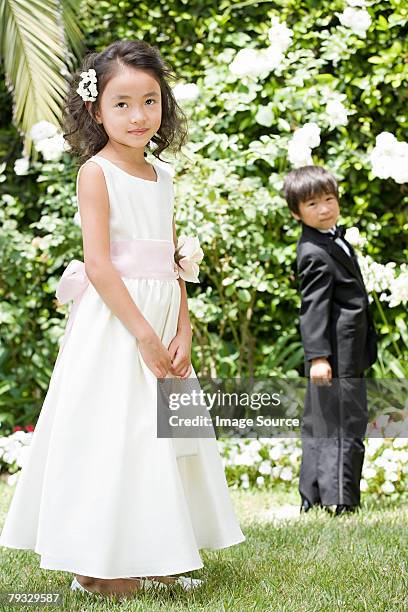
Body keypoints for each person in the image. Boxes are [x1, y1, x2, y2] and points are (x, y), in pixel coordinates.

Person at [0, 40, 245, 599]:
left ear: (164, 106)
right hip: (117, 326)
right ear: (95, 109)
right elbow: (99, 264)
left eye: (150, 101)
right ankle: (99, 562)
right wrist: (142, 333)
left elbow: (174, 259)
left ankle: (161, 548)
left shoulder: (162, 175)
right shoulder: (97, 173)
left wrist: (181, 329)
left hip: (162, 319)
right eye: (122, 103)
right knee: (117, 434)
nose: (138, 116)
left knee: (164, 436)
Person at [283, 165, 378, 517]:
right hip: (337, 352)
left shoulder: (331, 238)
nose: (324, 208)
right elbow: (314, 309)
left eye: (329, 199)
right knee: (344, 420)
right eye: (312, 204)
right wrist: (318, 357)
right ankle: (341, 500)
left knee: (322, 419)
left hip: (348, 348)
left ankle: (312, 493)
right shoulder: (314, 252)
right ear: (296, 212)